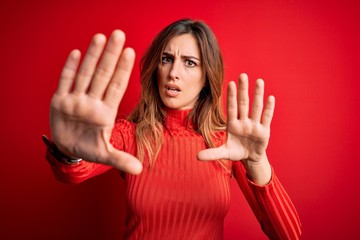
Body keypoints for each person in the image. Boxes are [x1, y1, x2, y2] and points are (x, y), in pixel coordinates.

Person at [43, 18, 301, 239]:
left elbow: (287, 235)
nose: (173, 72)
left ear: (206, 77)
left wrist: (257, 162)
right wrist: (68, 151)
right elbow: (73, 172)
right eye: (167, 59)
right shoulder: (130, 134)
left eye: (189, 62)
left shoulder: (228, 143)